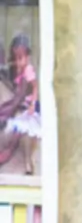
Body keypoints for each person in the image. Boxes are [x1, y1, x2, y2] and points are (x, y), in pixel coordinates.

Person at [6, 34, 40, 175]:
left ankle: (28, 162)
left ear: (27, 57)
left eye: (21, 58)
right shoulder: (19, 71)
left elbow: (34, 87)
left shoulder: (28, 70)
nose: (19, 62)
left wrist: (33, 103)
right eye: (16, 59)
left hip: (28, 105)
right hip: (20, 102)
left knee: (26, 131)